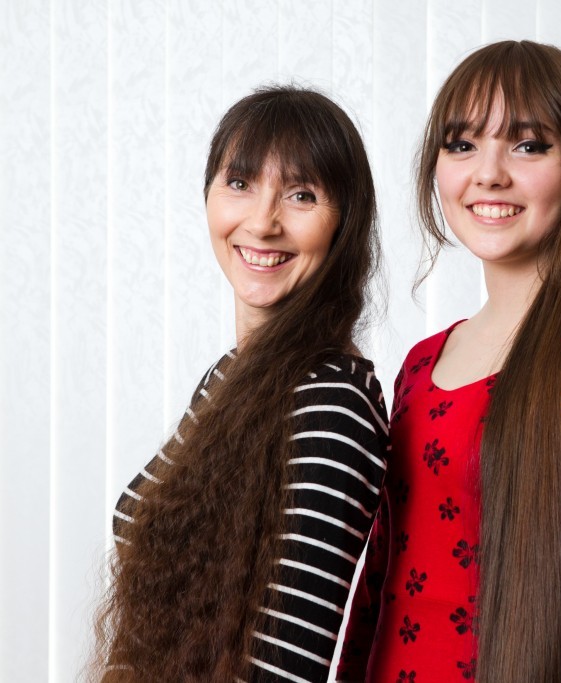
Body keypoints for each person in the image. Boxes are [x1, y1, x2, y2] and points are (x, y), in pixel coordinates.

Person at [339, 41, 561, 683]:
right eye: (462, 145)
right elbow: (376, 595)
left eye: (527, 145)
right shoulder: (421, 361)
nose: (488, 173)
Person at [92, 86, 389, 682]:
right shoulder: (230, 377)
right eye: (240, 183)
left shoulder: (334, 403)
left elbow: (282, 664)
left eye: (302, 195)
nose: (262, 221)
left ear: (343, 223)